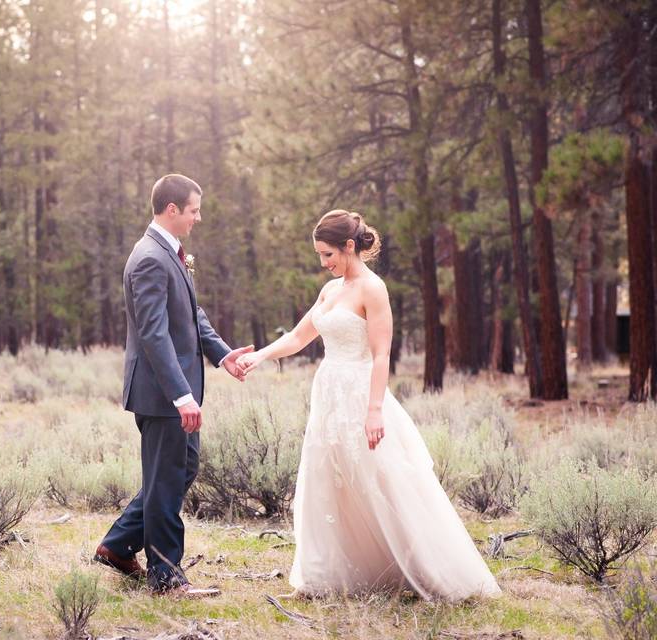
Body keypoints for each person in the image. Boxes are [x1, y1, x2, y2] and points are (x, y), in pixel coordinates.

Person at [238, 210, 501, 601]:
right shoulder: (329, 291)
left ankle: (429, 570)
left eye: (328, 254)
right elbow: (297, 337)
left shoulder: (372, 289)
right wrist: (259, 357)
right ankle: (325, 576)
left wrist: (374, 409)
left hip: (362, 393)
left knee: (382, 480)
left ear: (349, 246)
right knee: (327, 479)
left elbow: (381, 355)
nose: (324, 263)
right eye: (319, 256)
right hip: (328, 394)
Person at [93, 174, 254, 597]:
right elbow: (154, 333)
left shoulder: (171, 255)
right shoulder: (149, 258)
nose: (198, 218)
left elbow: (191, 316)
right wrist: (180, 394)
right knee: (166, 479)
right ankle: (165, 577)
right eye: (194, 210)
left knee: (181, 470)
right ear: (172, 210)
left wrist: (222, 354)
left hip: (176, 392)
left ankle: (115, 546)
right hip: (162, 394)